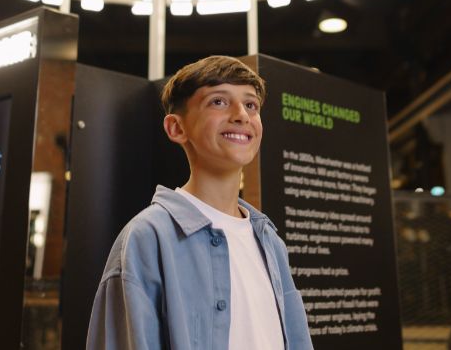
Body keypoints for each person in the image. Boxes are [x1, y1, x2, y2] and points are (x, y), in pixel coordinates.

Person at [86, 56, 313, 349]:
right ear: (176, 128)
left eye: (251, 104)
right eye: (218, 101)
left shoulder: (270, 242)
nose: (241, 114)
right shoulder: (148, 237)